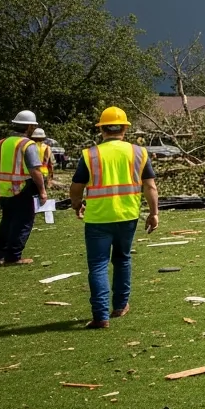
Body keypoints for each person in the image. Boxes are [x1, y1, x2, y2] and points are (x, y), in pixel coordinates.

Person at [69, 106, 158, 329]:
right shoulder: (139, 153)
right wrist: (154, 213)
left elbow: (76, 187)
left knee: (98, 265)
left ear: (102, 130)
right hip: (128, 216)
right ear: (125, 129)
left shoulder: (90, 155)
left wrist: (77, 204)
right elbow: (150, 187)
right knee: (122, 259)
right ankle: (120, 305)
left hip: (98, 218)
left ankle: (100, 316)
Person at [0, 110, 48, 265]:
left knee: (7, 222)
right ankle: (13, 256)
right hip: (22, 188)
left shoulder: (1, 143)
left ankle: (1, 255)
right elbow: (34, 170)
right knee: (23, 222)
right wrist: (42, 191)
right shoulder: (27, 144)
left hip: (5, 188)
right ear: (30, 126)